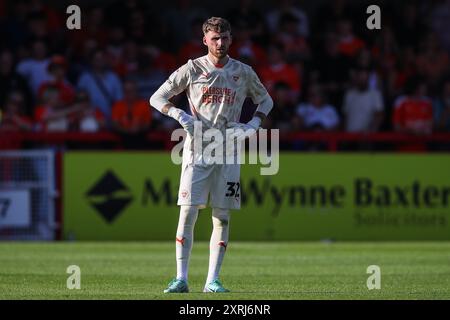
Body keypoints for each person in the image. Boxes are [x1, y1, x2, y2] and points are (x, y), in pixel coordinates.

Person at [150, 17, 273, 293]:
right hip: (197, 150)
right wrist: (178, 113)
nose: (220, 43)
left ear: (231, 39)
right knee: (188, 213)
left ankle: (212, 281)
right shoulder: (193, 69)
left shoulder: (243, 72)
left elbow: (266, 100)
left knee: (222, 216)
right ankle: (181, 278)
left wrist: (254, 123)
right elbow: (157, 97)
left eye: (225, 37)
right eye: (215, 38)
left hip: (229, 151)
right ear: (205, 40)